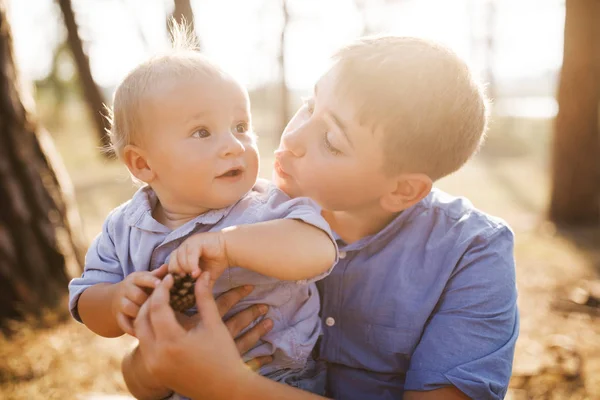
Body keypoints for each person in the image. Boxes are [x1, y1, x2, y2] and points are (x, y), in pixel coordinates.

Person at [123, 36, 519, 400]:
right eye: (309, 105)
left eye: (331, 141)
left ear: (402, 190)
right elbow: (140, 376)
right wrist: (168, 358)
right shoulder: (236, 213)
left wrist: (231, 386)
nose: (292, 139)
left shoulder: (472, 252)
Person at [67, 22, 338, 397]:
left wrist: (229, 246)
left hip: (280, 378)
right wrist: (116, 302)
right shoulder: (122, 229)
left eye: (241, 126)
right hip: (181, 384)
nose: (233, 145)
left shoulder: (266, 206)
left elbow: (319, 250)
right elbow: (85, 301)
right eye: (202, 132)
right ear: (143, 165)